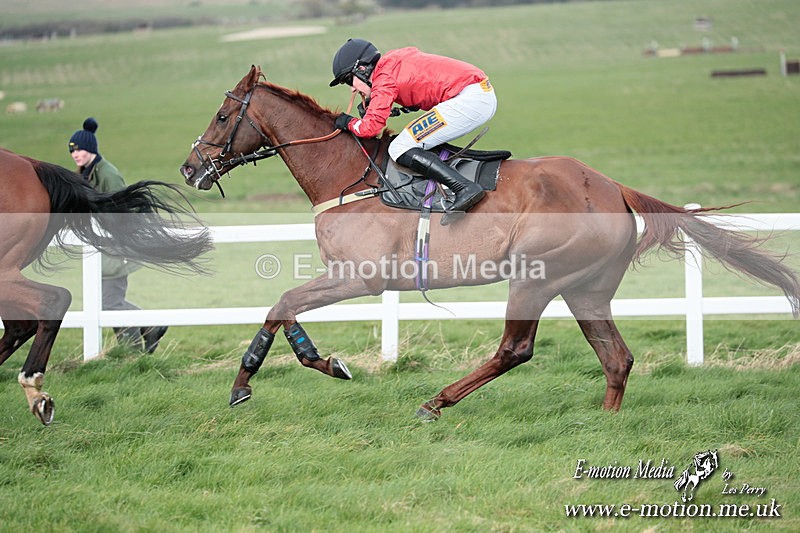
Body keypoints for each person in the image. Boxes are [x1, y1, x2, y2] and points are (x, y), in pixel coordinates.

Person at [330, 38, 497, 224]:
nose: (352, 89)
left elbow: (370, 128)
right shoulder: (391, 61)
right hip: (477, 94)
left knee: (399, 147)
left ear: (362, 69)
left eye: (349, 80)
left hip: (469, 100)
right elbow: (418, 84)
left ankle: (464, 188)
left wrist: (348, 122)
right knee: (416, 140)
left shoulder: (383, 80)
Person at [68, 117, 168, 353]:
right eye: (72, 151)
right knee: (107, 302)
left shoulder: (108, 174)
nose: (75, 154)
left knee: (109, 303)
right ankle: (152, 326)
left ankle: (130, 353)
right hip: (103, 249)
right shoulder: (86, 174)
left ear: (91, 148)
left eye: (80, 149)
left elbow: (120, 213)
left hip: (116, 249)